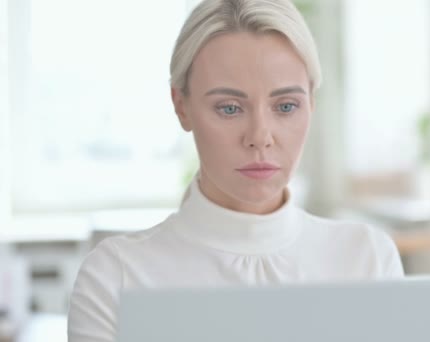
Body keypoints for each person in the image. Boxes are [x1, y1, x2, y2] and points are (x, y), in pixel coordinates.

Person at [67, 0, 404, 340]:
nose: (260, 137)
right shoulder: (117, 277)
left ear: (311, 105)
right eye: (229, 108)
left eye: (286, 106)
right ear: (181, 105)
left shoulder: (366, 259)